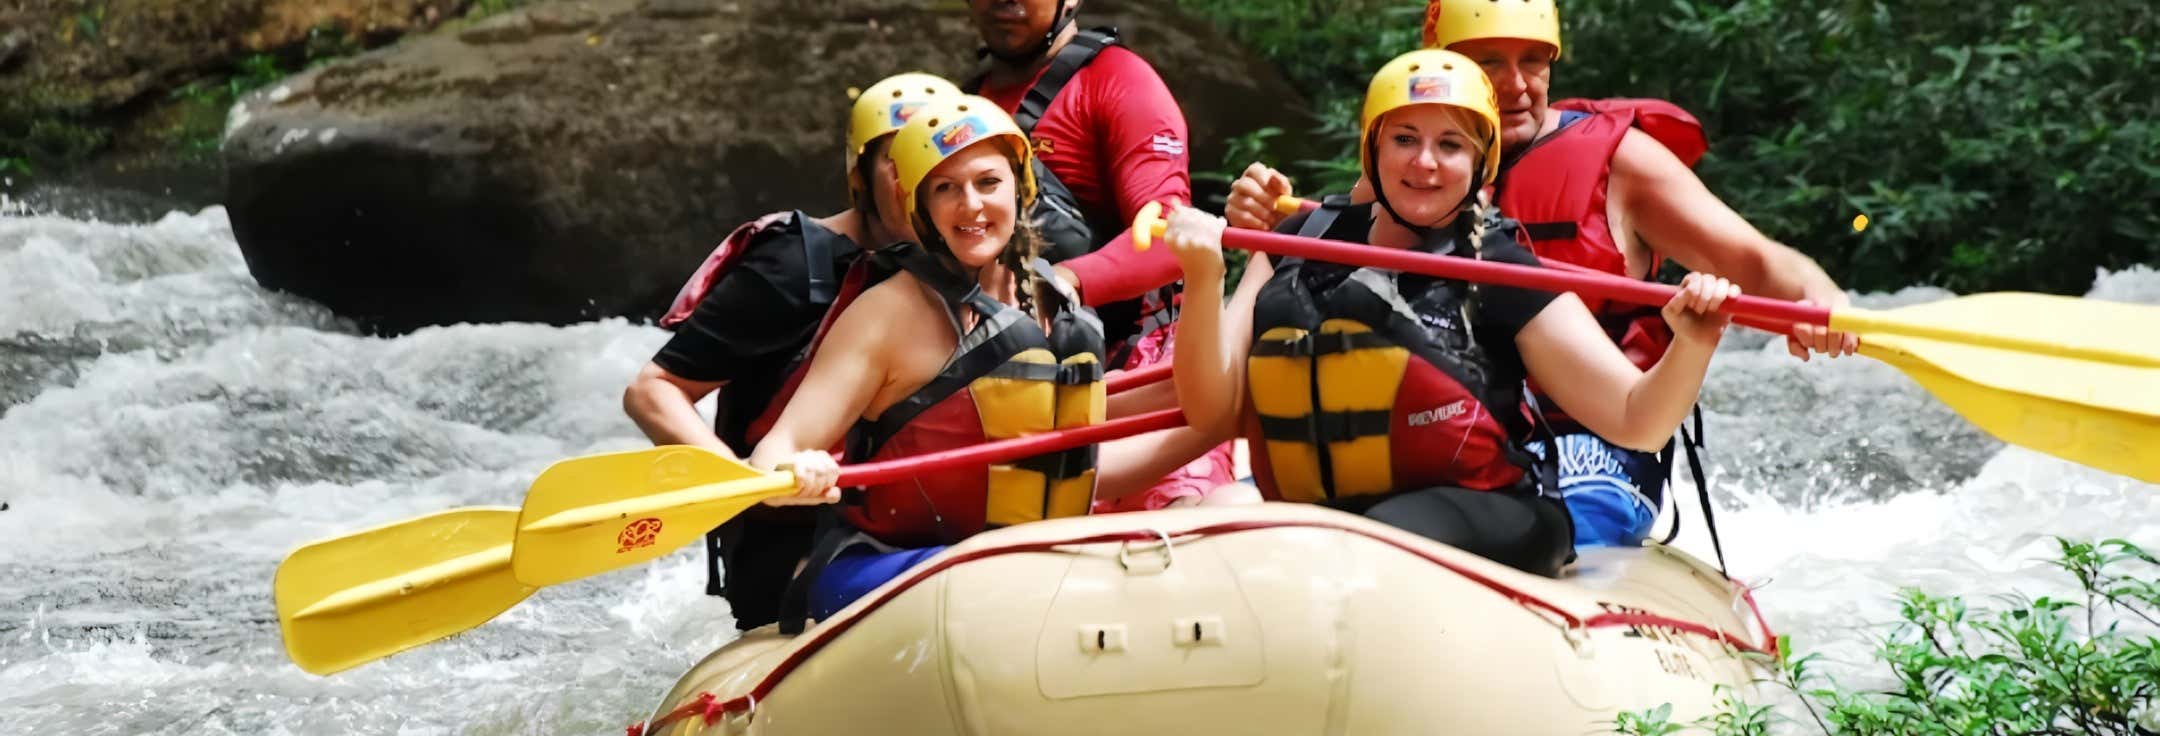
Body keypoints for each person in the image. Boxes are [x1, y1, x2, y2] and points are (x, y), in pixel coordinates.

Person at [1221, 0, 1855, 549]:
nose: (1517, 85)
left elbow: (1757, 262)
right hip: (1445, 437)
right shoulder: (1410, 170)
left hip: (1592, 435)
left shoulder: (1620, 161)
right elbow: (1313, 285)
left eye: (1535, 61)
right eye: (1490, 62)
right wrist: (1255, 219)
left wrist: (1820, 301)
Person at [1161, 49, 1739, 575]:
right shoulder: (1296, 243)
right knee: (1213, 515)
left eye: (1451, 145)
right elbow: (1212, 410)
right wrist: (1204, 276)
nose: (1426, 164)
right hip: (1328, 512)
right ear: (1374, 148)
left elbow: (1638, 420)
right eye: (1405, 139)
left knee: (1370, 537)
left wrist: (1693, 343)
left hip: (1491, 513)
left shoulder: (1498, 267)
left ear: (1481, 161)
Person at [748, 97, 1207, 620]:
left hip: (1023, 566)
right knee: (996, 579)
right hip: (886, 567)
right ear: (922, 208)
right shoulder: (886, 315)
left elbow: (1079, 465)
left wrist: (1218, 408)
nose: (971, 206)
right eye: (946, 188)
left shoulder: (1055, 303)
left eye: (988, 183)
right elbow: (774, 451)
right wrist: (797, 469)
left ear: (1021, 187)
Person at [620, 72, 960, 631]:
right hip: (795, 535)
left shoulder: (968, 273)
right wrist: (740, 483)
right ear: (861, 177)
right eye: (896, 162)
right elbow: (653, 390)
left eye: (934, 164)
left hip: (902, 521)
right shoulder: (794, 266)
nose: (914, 181)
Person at [960, 0, 1236, 512]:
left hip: (1142, 367)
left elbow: (1167, 237)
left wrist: (1060, 282)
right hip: (1026, 380)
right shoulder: (965, 106)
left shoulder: (1119, 81)